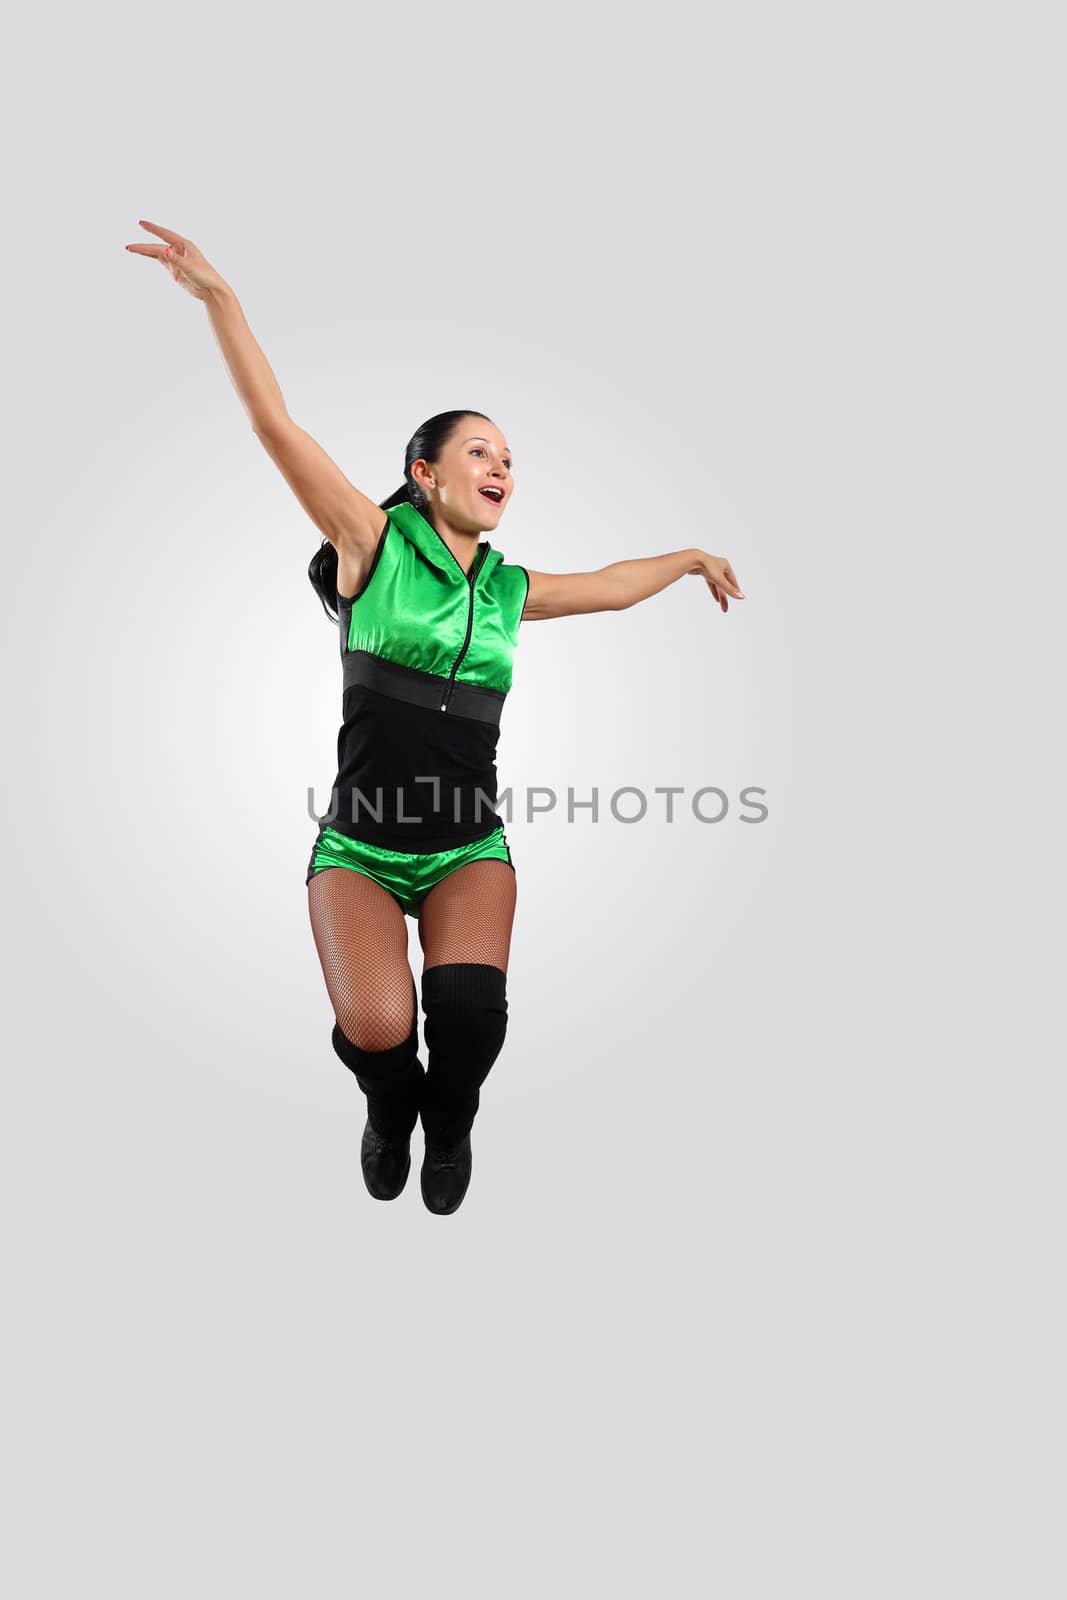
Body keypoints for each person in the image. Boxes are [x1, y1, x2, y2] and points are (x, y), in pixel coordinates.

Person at [126, 219, 746, 1216]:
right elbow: (276, 427)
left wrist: (687, 558)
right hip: (361, 850)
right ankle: (388, 1105)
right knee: (379, 1026)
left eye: (508, 457)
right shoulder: (368, 544)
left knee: (465, 1017)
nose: (500, 466)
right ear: (424, 473)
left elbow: (611, 584)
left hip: (465, 845)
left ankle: (448, 1114)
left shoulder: (507, 589)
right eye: (478, 451)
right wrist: (220, 300)